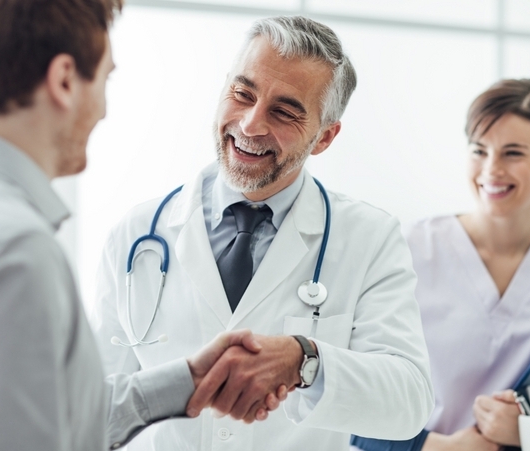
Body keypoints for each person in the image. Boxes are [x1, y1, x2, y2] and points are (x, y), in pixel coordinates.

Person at [92, 15, 434, 451]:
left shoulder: (370, 238)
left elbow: (408, 402)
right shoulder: (135, 235)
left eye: (285, 112)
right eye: (242, 94)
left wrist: (304, 359)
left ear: (325, 136)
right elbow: (92, 410)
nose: (251, 125)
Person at [0, 1, 282, 450]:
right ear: (65, 80)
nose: (104, 110)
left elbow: (54, 413)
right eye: (105, 78)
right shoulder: (16, 252)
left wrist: (186, 380)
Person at [351, 78, 530, 451]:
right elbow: (344, 391)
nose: (492, 169)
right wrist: (435, 447)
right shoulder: (408, 248)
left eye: (513, 153)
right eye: (479, 151)